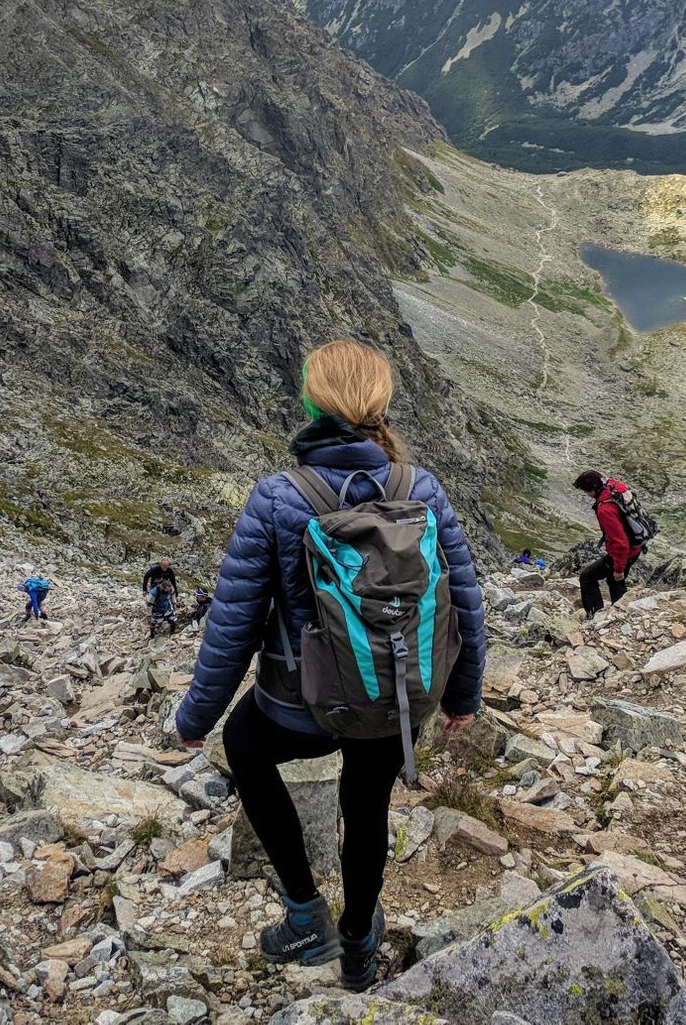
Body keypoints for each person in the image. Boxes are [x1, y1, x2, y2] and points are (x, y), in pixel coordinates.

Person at [174, 340, 486, 991]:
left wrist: (196, 717)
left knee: (243, 743)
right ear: (381, 402)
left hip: (301, 704)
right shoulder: (419, 489)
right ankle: (359, 942)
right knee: (367, 802)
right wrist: (462, 697)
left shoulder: (278, 498)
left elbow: (233, 624)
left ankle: (304, 913)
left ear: (312, 401)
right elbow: (464, 601)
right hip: (394, 697)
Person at [573, 469, 642, 616]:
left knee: (587, 577)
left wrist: (618, 568)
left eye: (587, 492)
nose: (588, 495)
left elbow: (620, 543)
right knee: (615, 582)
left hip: (624, 551)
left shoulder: (605, 509)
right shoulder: (614, 486)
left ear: (592, 489)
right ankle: (621, 615)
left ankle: (595, 616)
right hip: (636, 546)